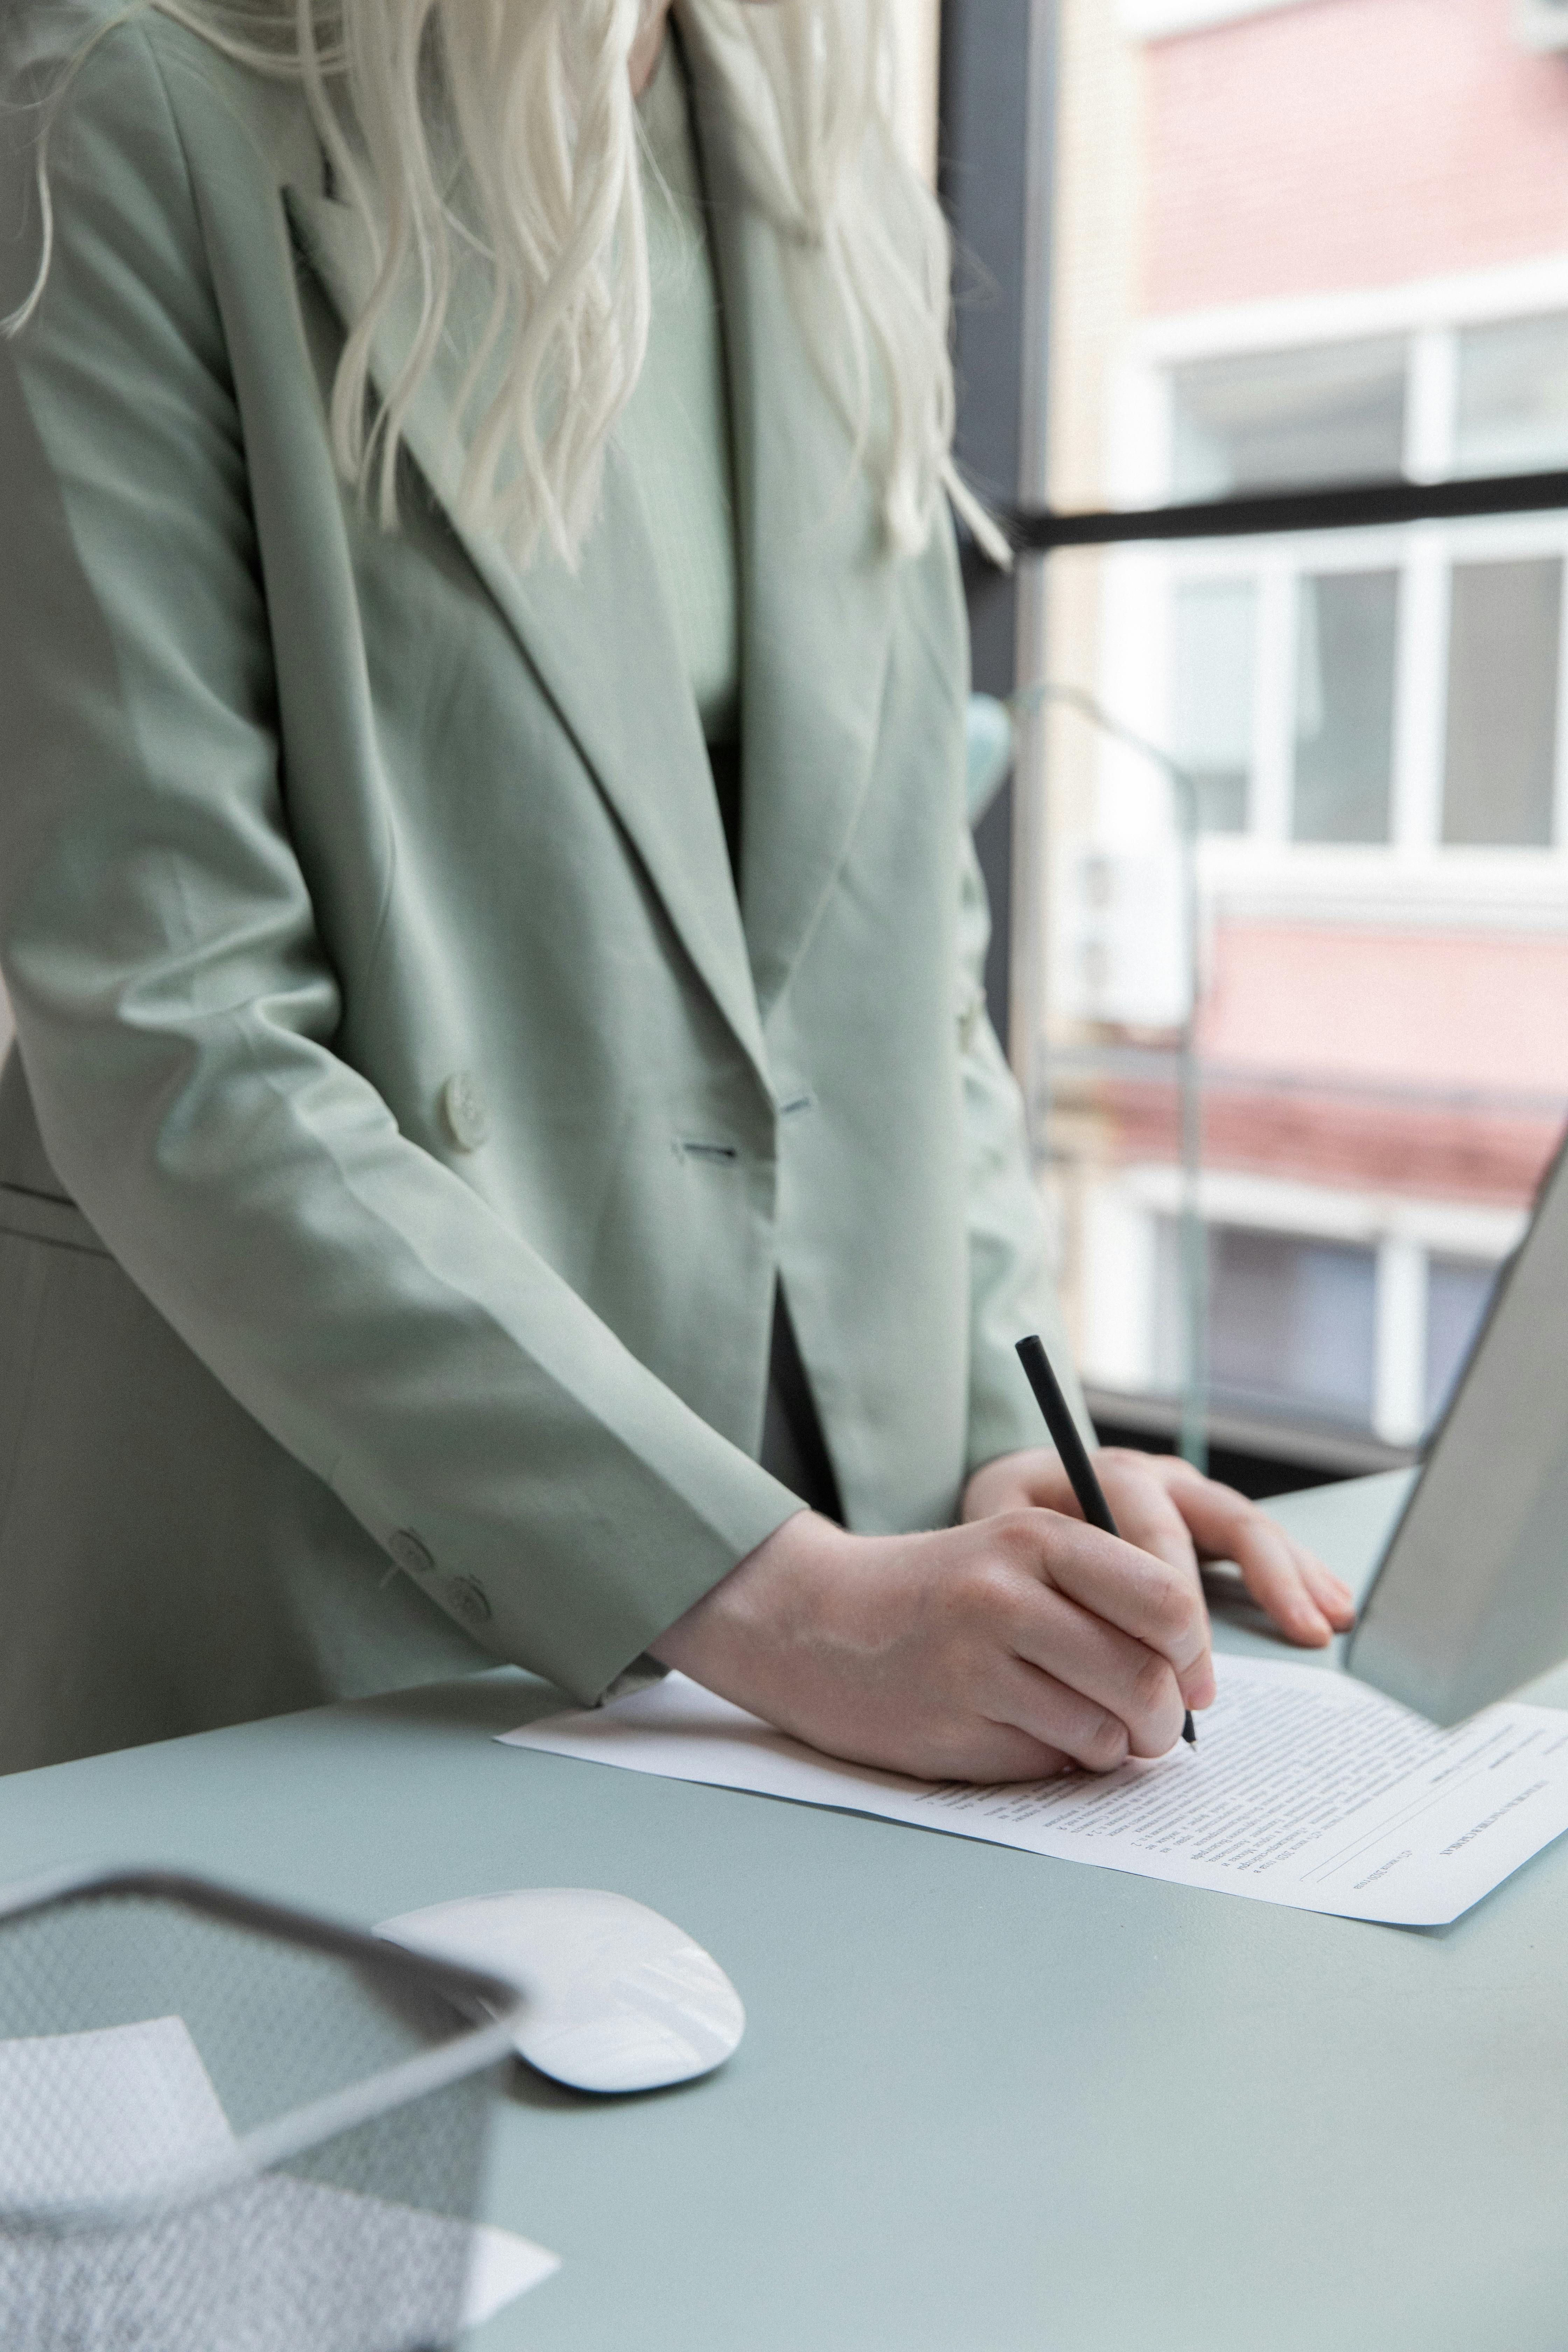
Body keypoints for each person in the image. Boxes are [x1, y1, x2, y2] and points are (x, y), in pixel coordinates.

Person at [0, 0, 1352, 1779]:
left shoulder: (808, 158)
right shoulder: (127, 95)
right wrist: (791, 1604)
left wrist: (992, 1445)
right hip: (335, 1555)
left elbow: (901, 954)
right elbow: (175, 1026)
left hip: (820, 1559)